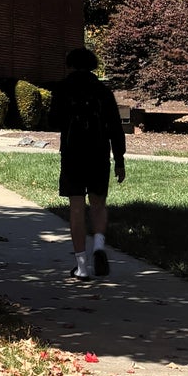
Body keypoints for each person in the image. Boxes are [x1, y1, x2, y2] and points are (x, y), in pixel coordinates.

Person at [55, 45, 125, 279]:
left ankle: (82, 267)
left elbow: (53, 119)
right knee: (98, 204)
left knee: (76, 208)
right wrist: (120, 159)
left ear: (71, 64)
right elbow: (115, 127)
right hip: (99, 153)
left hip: (73, 153)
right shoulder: (103, 91)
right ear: (92, 65)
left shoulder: (63, 89)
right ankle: (99, 246)